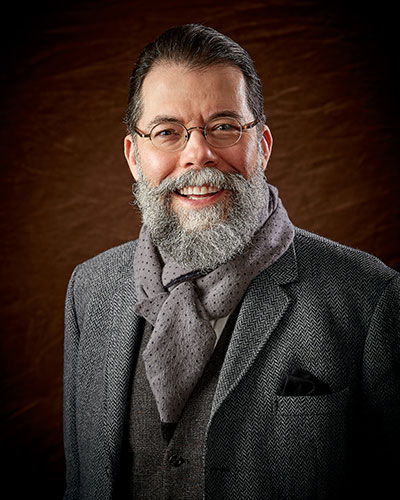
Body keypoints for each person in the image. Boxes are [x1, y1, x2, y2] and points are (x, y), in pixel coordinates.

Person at [63, 24, 399, 500]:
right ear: (134, 156)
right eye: (167, 132)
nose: (198, 154)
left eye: (224, 127)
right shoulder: (90, 289)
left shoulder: (368, 297)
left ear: (262, 145)